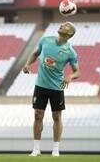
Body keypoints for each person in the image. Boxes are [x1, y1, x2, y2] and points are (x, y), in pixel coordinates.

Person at [22, 21, 80, 157]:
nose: (62, 25)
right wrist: (27, 64)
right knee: (37, 115)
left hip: (57, 88)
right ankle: (36, 149)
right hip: (40, 85)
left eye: (66, 25)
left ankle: (55, 149)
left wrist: (70, 77)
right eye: (62, 24)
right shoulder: (45, 40)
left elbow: (77, 71)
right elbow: (35, 54)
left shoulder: (70, 52)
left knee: (57, 117)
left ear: (70, 33)